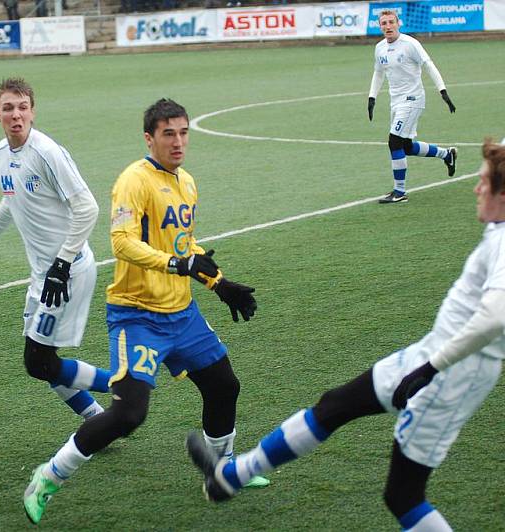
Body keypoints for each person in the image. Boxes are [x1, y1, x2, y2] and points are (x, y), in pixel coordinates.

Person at [187, 139, 505, 531]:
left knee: (403, 497)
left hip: (449, 371)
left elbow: (494, 317)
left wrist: (432, 368)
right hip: (434, 357)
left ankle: (228, 477)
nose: (476, 188)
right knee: (336, 405)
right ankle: (228, 478)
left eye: (485, 181)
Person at [22, 98, 269, 525]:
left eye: (183, 132)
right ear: (149, 138)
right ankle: (48, 475)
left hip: (182, 313)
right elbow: (121, 242)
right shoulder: (132, 181)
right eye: (168, 133)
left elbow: (184, 245)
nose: (178, 142)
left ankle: (222, 470)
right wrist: (180, 265)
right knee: (129, 414)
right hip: (137, 316)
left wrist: (219, 282)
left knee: (224, 386)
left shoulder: (187, 182)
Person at [0, 78, 110, 421]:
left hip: (68, 271)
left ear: (33, 112)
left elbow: (88, 208)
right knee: (43, 363)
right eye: (8, 108)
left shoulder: (47, 152)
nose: (16, 115)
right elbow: (12, 200)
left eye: (22, 107)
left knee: (38, 361)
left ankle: (126, 385)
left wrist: (62, 263)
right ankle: (98, 420)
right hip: (43, 274)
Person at [368, 10, 458, 204]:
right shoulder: (380, 48)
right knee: (406, 146)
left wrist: (442, 90)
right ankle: (446, 154)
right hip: (396, 102)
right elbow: (378, 73)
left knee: (394, 142)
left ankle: (399, 192)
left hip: (412, 100)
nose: (388, 26)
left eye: (391, 22)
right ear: (379, 26)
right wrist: (371, 97)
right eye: (384, 23)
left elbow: (429, 65)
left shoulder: (410, 44)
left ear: (399, 23)